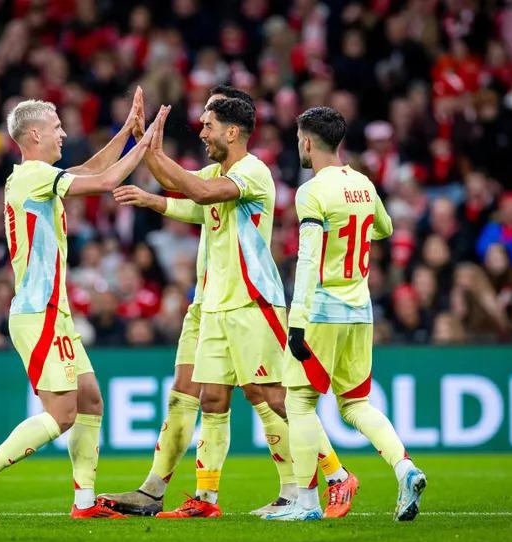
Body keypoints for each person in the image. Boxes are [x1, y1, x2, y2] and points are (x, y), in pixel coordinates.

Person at [120, 91, 352, 519]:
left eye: (208, 125)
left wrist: (153, 148)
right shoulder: (215, 171)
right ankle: (205, 499)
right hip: (215, 305)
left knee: (273, 396)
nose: (202, 131)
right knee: (211, 398)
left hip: (252, 304)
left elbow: (202, 194)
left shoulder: (253, 172)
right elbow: (181, 187)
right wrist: (143, 143)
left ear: (232, 131)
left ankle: (336, 474)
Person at [0, 88, 168, 519]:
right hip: (38, 314)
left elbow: (91, 168)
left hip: (55, 313)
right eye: (56, 128)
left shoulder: (37, 178)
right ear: (33, 134)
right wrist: (146, 146)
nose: (64, 133)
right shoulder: (34, 176)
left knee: (90, 400)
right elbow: (106, 182)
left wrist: (127, 130)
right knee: (63, 413)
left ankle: (85, 503)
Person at [274, 106, 426, 522]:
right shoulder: (362, 182)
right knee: (357, 404)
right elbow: (386, 228)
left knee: (300, 403)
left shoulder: (312, 191)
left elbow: (307, 261)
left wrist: (297, 320)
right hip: (361, 309)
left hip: (321, 311)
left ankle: (305, 503)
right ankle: (405, 467)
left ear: (307, 142)